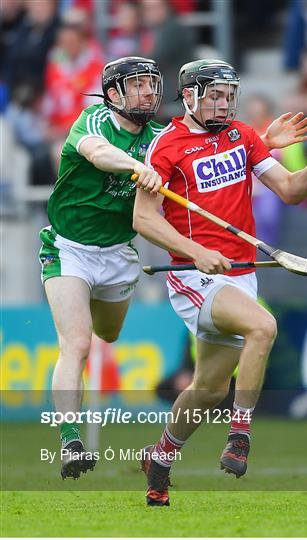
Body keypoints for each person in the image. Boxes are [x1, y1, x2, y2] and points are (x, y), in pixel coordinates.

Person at [133, 59, 307, 506]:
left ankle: (160, 458)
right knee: (263, 327)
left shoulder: (243, 137)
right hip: (197, 277)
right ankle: (240, 434)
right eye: (214, 94)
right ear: (188, 96)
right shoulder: (166, 147)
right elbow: (144, 218)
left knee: (207, 389)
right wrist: (196, 252)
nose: (224, 103)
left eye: (229, 95)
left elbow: (289, 189)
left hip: (241, 276)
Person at [38, 56, 164, 480]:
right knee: (77, 344)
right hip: (68, 249)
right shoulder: (94, 121)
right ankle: (70, 440)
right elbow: (98, 153)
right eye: (139, 85)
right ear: (113, 94)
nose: (149, 92)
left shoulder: (159, 137)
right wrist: (136, 166)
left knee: (108, 333)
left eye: (152, 84)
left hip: (118, 255)